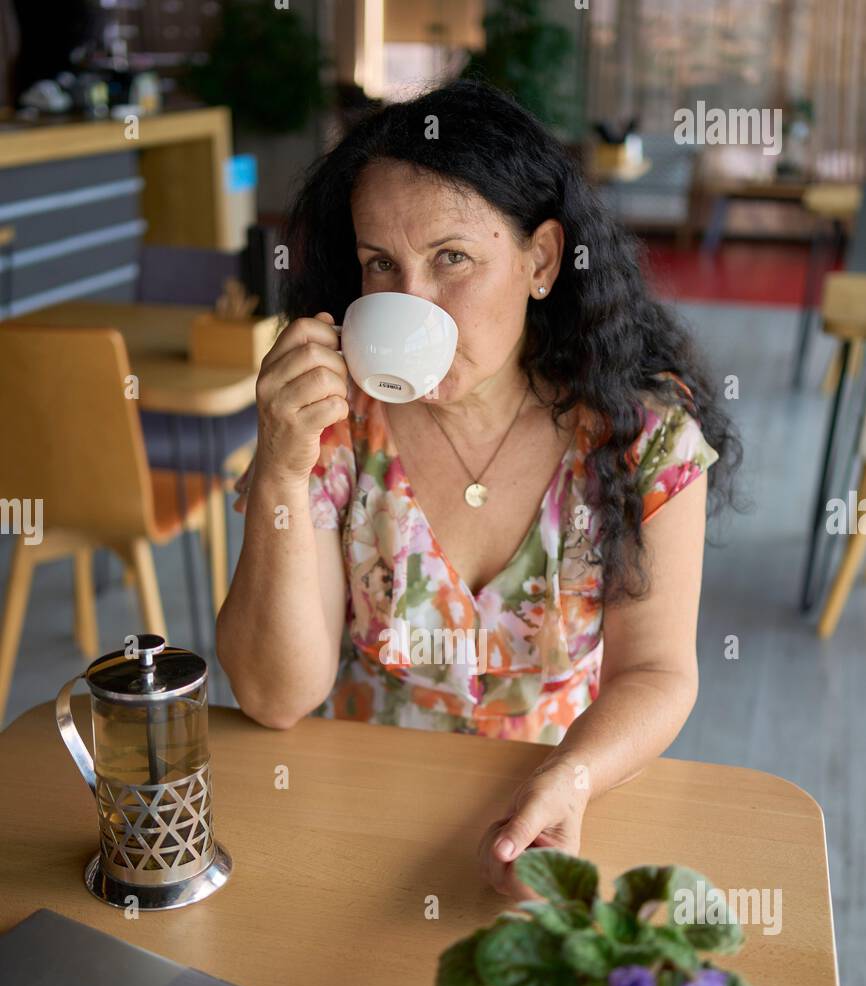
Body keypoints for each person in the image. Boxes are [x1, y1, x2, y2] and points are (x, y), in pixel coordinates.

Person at [216, 78, 740, 898]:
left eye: (451, 258)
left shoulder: (643, 439)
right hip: (352, 816)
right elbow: (276, 697)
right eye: (379, 264)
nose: (407, 300)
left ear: (540, 260)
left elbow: (657, 673)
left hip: (561, 810)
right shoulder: (333, 425)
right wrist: (283, 463)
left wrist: (568, 783)